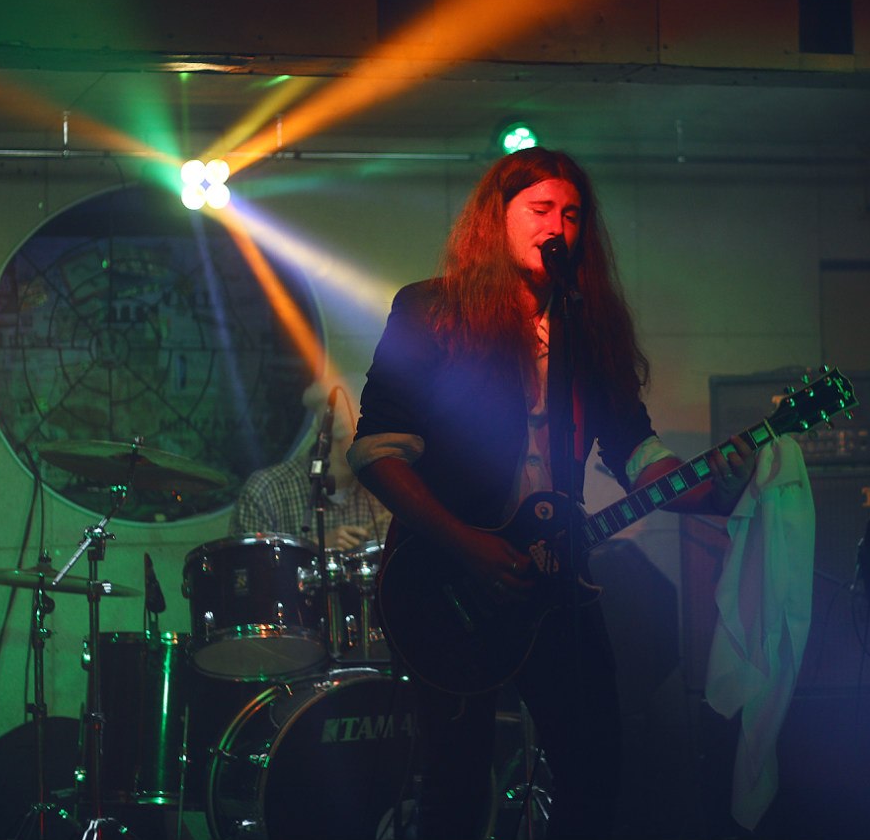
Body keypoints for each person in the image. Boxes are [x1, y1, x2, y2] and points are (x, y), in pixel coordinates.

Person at [349, 147, 754, 839]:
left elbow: (637, 451)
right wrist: (467, 544)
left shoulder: (587, 328)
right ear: (497, 218)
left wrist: (714, 485)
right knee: (455, 784)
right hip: (446, 578)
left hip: (556, 573)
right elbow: (377, 450)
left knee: (596, 765)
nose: (558, 226)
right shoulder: (431, 311)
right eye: (540, 209)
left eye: (571, 214)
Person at [231, 381, 391, 552]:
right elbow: (248, 565)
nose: (383, 441)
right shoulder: (265, 491)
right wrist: (314, 549)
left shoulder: (382, 493)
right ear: (339, 429)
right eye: (373, 431)